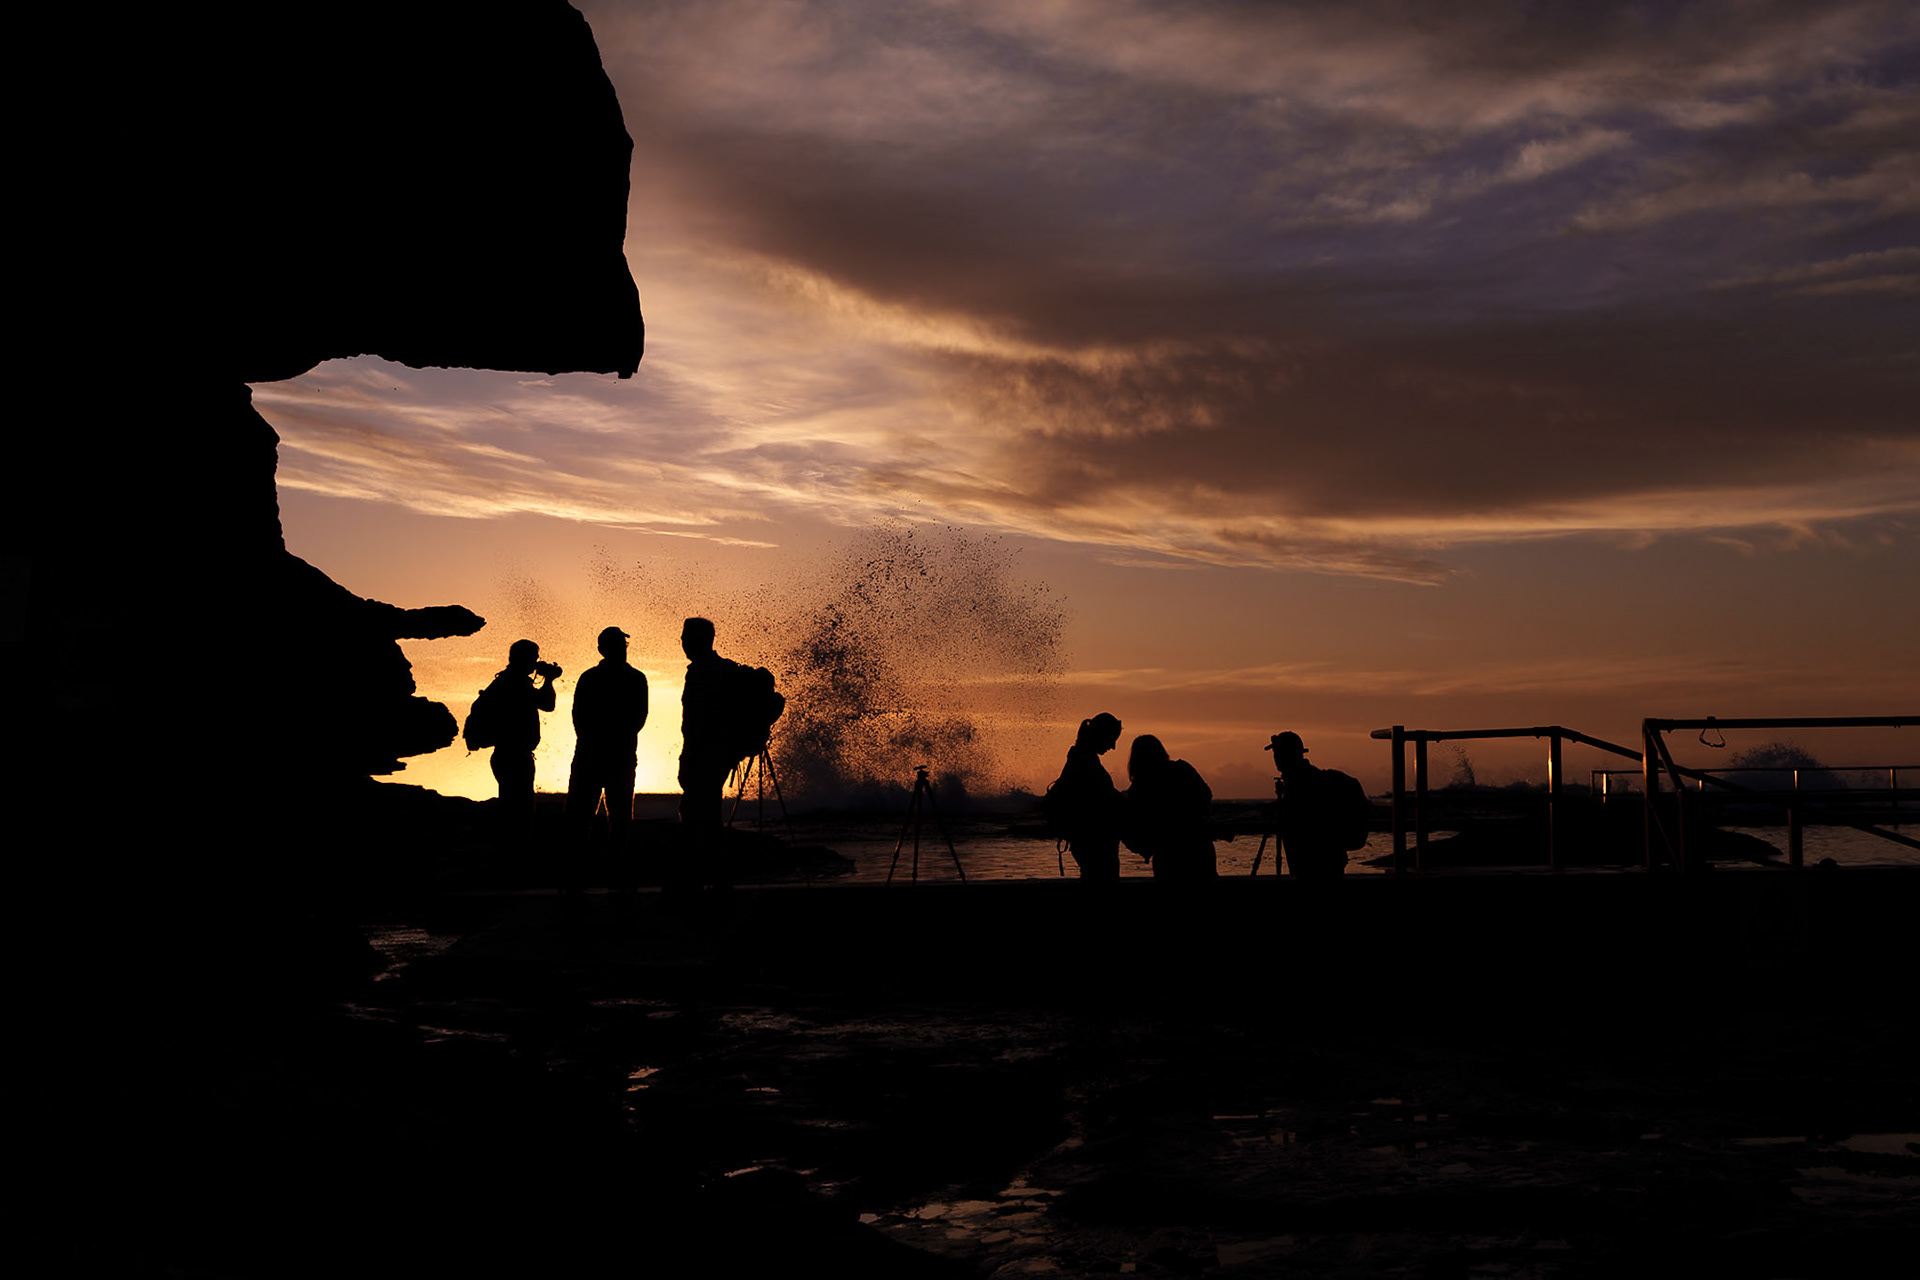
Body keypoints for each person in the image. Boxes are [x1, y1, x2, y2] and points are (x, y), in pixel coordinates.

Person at [565, 625, 649, 888]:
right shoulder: (633, 678)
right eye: (618, 645)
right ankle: (601, 875)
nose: (622, 649)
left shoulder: (592, 678)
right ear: (603, 649)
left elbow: (580, 719)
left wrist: (599, 740)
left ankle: (586, 877)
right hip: (611, 757)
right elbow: (637, 719)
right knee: (602, 819)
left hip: (599, 757)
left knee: (602, 819)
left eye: (623, 645)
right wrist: (614, 739)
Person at [677, 616, 736, 886]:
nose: (682, 641)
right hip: (718, 755)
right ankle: (714, 879)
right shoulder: (719, 669)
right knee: (707, 815)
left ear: (698, 640)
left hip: (704, 756)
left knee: (698, 817)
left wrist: (688, 757)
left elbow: (698, 722)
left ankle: (701, 881)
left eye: (685, 636)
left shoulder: (704, 672)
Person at [482, 638, 559, 845]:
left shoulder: (505, 680)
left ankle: (508, 850)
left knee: (511, 805)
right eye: (534, 658)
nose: (536, 662)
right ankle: (514, 853)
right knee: (520, 809)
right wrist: (549, 680)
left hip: (505, 753)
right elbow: (547, 704)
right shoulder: (516, 683)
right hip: (515, 755)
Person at [1121, 734, 1217, 882]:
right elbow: (1205, 795)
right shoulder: (1182, 768)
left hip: (1166, 851)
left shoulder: (1140, 786)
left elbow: (1135, 820)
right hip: (1198, 844)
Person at [1266, 731, 1353, 881]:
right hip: (1327, 860)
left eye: (1278, 753)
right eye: (1276, 753)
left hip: (1315, 862)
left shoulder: (1303, 783)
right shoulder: (1308, 779)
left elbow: (1303, 817)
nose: (1276, 758)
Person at [1049, 713, 1124, 880]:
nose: (1113, 747)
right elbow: (1101, 801)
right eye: (1112, 739)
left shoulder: (1081, 759)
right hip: (1093, 842)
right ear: (1101, 735)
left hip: (1088, 841)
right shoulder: (1084, 763)